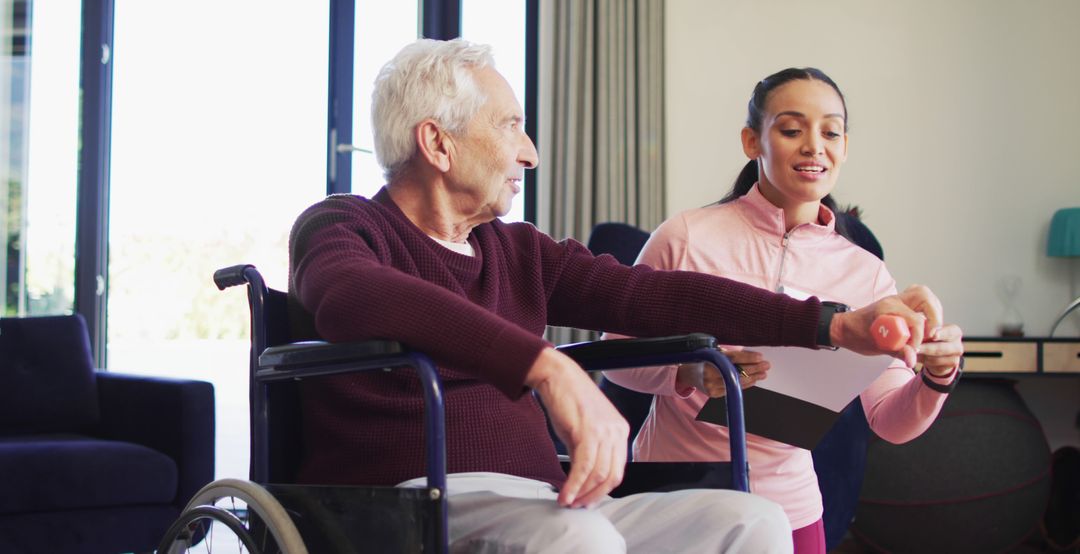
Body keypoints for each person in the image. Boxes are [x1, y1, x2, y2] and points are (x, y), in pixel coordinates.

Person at [287, 40, 950, 553]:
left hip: (549, 500)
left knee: (750, 523)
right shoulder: (345, 226)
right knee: (585, 540)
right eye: (510, 126)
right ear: (437, 142)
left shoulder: (517, 250)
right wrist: (543, 364)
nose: (530, 152)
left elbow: (652, 296)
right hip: (417, 498)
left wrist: (831, 326)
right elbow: (354, 296)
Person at [602, 67, 965, 553]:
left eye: (831, 131)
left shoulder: (866, 274)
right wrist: (688, 372)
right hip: (673, 493)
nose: (815, 146)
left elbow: (890, 422)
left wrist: (937, 376)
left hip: (789, 508)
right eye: (792, 130)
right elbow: (616, 359)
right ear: (753, 141)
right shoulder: (685, 237)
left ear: (844, 146)